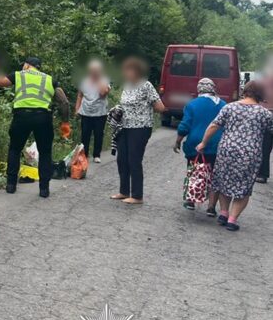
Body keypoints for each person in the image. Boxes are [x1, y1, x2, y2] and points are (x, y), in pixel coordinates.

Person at [0, 56, 70, 198]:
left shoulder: (18, 75)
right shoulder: (49, 79)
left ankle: (11, 185)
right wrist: (65, 123)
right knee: (45, 153)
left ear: (27, 65)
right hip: (43, 118)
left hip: (22, 116)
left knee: (15, 149)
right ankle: (44, 189)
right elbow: (64, 102)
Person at [197, 81, 273, 231]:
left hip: (227, 151)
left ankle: (224, 213)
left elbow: (214, 125)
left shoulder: (230, 107)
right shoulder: (264, 113)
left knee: (224, 181)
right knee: (243, 187)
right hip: (249, 154)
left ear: (245, 91)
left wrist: (203, 143)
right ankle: (232, 220)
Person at [110, 57, 166, 205]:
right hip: (124, 127)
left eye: (128, 70)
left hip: (140, 127)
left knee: (134, 160)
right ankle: (123, 191)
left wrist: (143, 111)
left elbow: (160, 107)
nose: (125, 73)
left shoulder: (146, 85)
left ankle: (137, 195)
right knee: (122, 159)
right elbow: (125, 104)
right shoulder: (127, 85)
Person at [173, 78, 226, 212]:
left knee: (195, 172)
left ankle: (191, 201)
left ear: (199, 89)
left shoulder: (192, 104)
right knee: (215, 175)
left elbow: (184, 126)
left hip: (196, 145)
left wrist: (178, 141)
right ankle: (211, 208)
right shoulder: (223, 105)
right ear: (213, 89)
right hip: (217, 145)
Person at [75, 59, 111, 163]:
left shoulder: (105, 80)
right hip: (86, 111)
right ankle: (84, 155)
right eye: (92, 70)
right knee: (85, 135)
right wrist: (77, 109)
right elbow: (80, 95)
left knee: (98, 134)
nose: (94, 72)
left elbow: (103, 93)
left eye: (96, 70)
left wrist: (99, 80)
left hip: (100, 113)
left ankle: (96, 155)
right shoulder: (84, 80)